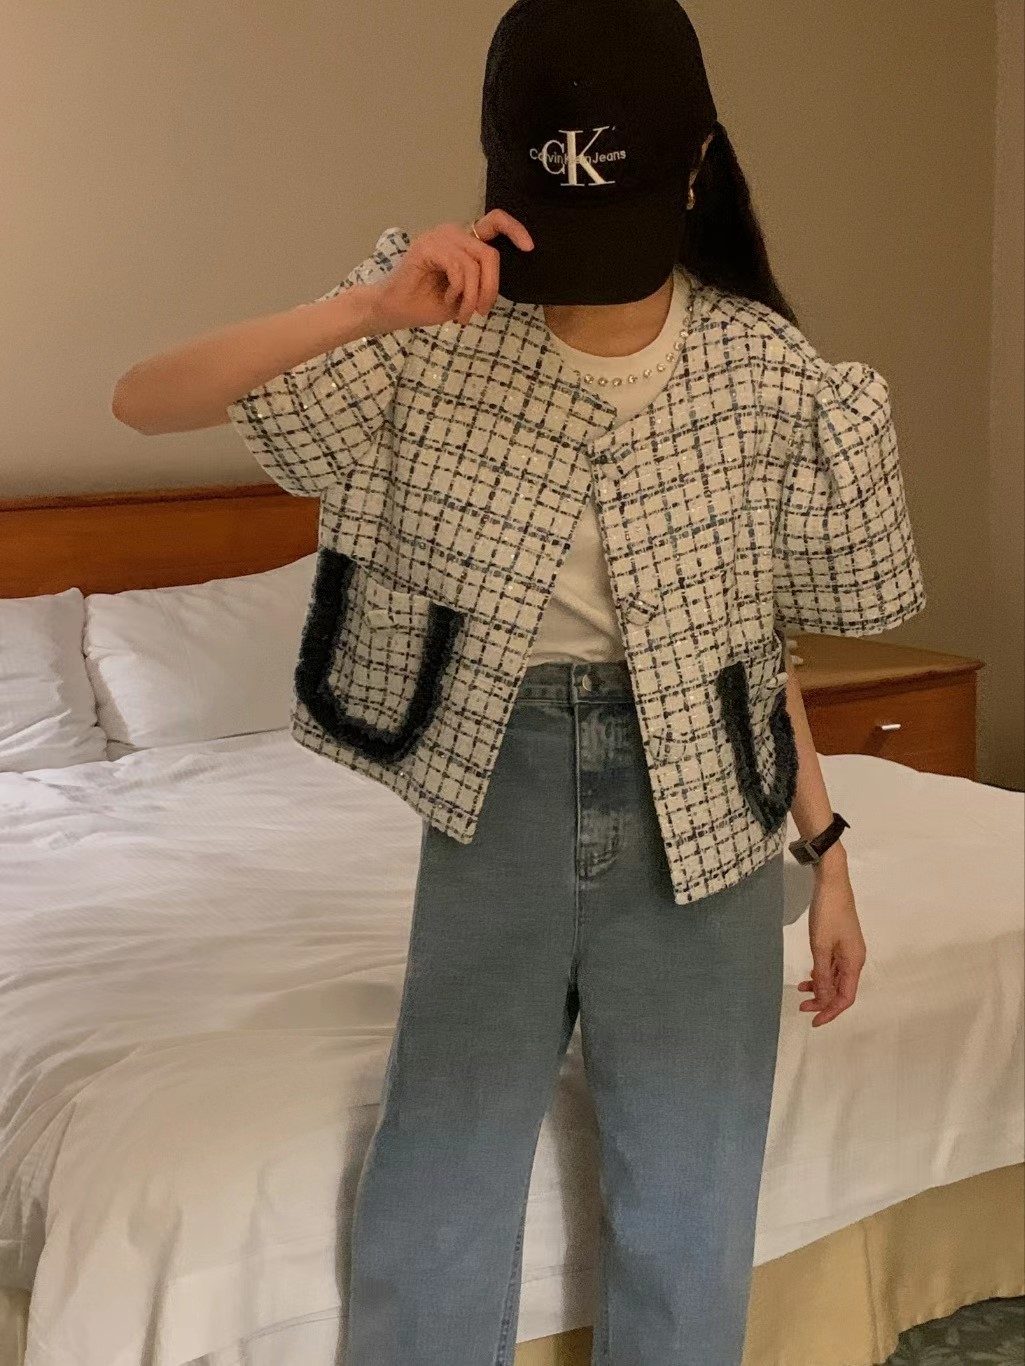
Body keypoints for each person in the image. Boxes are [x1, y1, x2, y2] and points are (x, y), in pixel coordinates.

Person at [112, 2, 927, 1361]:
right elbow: (144, 399)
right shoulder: (430, 330)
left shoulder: (765, 371)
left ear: (694, 167)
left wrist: (827, 850)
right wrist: (368, 306)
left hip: (710, 813)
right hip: (497, 784)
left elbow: (749, 647)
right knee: (439, 1182)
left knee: (693, 1198)